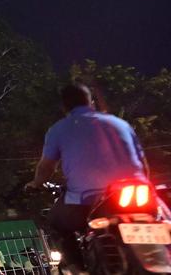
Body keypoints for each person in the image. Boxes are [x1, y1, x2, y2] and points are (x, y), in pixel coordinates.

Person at [26, 83, 148, 267]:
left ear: (64, 107)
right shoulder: (120, 123)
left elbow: (46, 168)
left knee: (55, 221)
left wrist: (35, 183)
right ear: (90, 101)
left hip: (87, 199)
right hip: (140, 193)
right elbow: (144, 166)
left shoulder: (59, 129)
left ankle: (79, 268)